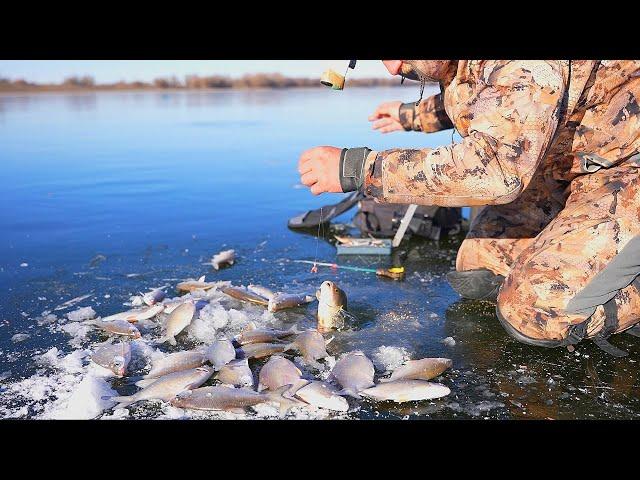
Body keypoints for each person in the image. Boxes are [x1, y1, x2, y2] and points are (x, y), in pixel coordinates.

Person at [298, 60, 640, 356]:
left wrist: (360, 169)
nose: (392, 68)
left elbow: (496, 169)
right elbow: (493, 94)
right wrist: (413, 115)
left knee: (535, 310)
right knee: (478, 266)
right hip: (570, 172)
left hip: (626, 174)